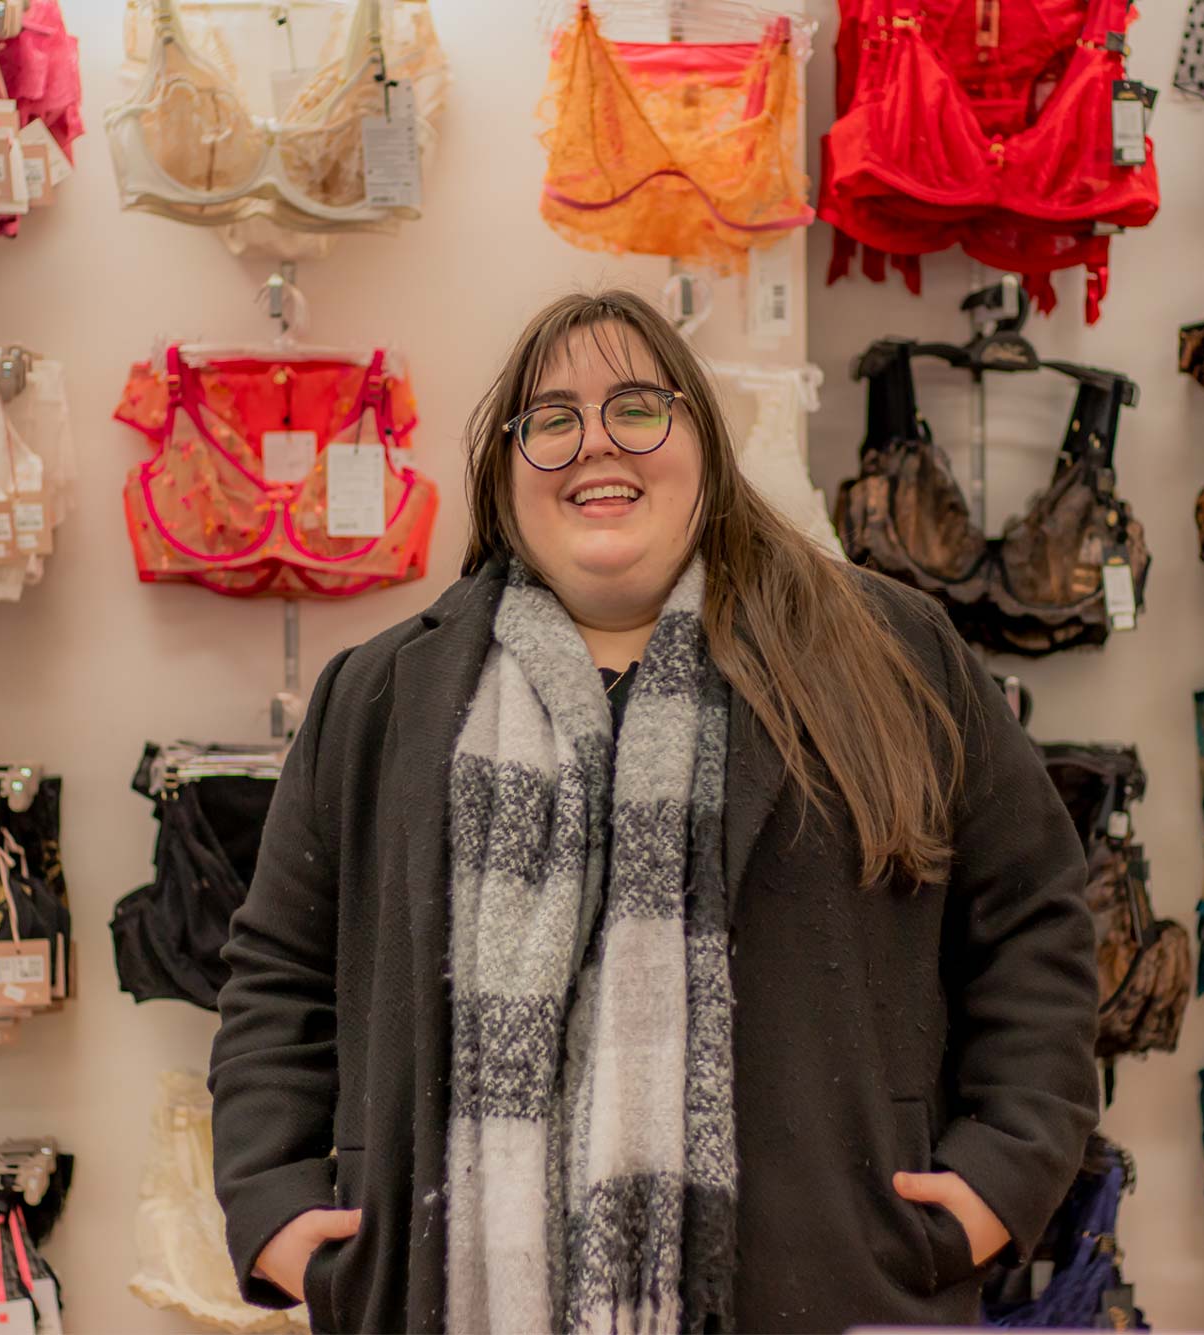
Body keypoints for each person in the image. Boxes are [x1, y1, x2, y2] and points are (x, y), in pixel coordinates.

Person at [210, 289, 1099, 1334]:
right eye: (550, 422)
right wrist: (270, 1198)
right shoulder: (379, 696)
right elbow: (277, 971)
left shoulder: (886, 652)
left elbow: (1033, 915)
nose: (596, 446)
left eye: (637, 407)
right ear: (503, 473)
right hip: (447, 1293)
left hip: (829, 1275)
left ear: (703, 444)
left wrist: (1006, 1172)